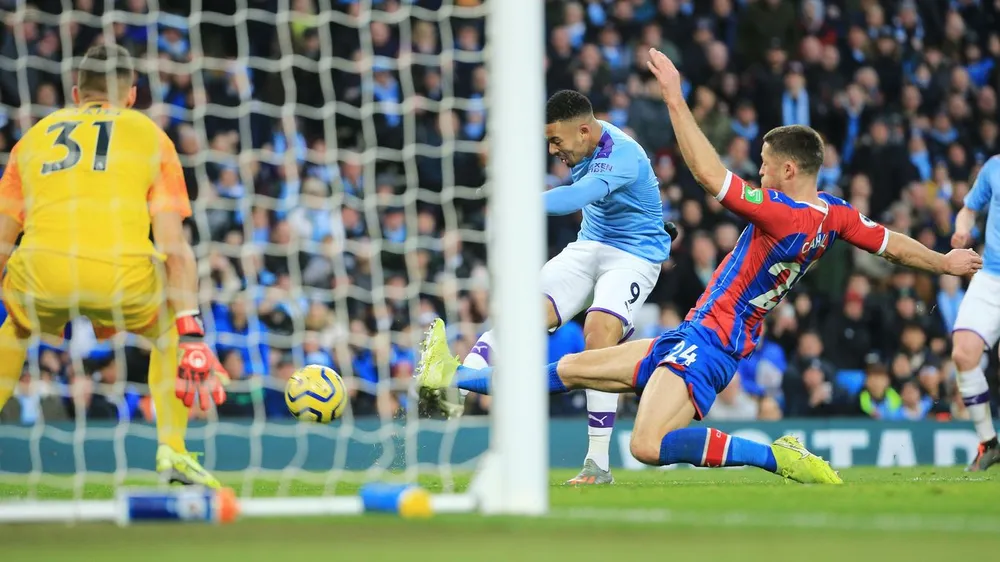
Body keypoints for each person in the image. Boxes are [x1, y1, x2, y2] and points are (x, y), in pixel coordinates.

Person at [416, 49, 982, 483]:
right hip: (695, 333)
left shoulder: (781, 213)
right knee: (572, 369)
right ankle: (452, 377)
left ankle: (775, 457)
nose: (760, 172)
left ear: (788, 171)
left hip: (712, 343)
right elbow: (891, 244)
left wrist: (674, 98)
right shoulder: (834, 214)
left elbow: (711, 177)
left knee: (646, 445)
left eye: (765, 164)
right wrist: (944, 261)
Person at [0, 44, 228, 487]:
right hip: (121, 278)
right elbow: (173, 246)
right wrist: (191, 331)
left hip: (41, 274)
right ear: (132, 95)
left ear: (75, 93)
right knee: (168, 329)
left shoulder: (33, 138)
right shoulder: (149, 135)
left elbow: (3, 242)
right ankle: (173, 451)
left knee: (16, 328)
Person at [455, 90, 672, 485]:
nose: (553, 150)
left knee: (599, 333)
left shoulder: (623, 153)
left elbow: (578, 195)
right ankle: (458, 385)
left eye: (556, 141)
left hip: (634, 256)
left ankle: (598, 463)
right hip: (589, 245)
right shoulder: (583, 146)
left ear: (584, 131)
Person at [950, 154, 1000, 471]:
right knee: (963, 353)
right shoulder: (995, 167)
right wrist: (962, 230)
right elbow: (968, 209)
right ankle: (989, 444)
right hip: (991, 275)